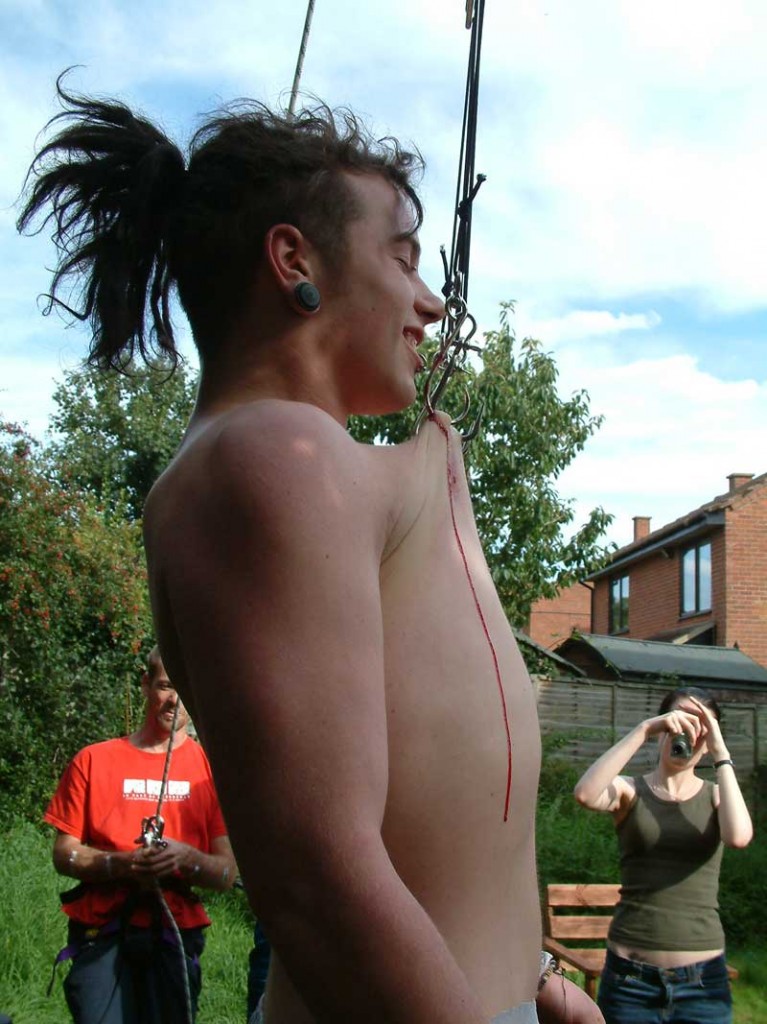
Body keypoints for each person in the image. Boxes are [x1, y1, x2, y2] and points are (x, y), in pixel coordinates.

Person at [21, 75, 603, 1024]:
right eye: (402, 258)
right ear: (295, 259)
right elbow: (320, 881)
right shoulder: (271, 455)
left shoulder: (318, 470)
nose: (432, 303)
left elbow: (429, 809)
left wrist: (529, 979)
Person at [43, 646, 237, 1024]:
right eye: (166, 686)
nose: (175, 700)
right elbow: (64, 854)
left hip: (174, 934)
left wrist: (186, 859)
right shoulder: (94, 761)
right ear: (146, 685)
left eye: (184, 689)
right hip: (102, 932)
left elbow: (226, 874)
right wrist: (122, 863)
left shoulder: (210, 772)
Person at [573, 686, 753, 1024]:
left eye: (699, 726)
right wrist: (644, 729)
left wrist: (720, 751)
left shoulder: (717, 796)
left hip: (703, 984)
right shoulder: (630, 790)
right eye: (679, 720)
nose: (686, 733)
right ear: (663, 728)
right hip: (630, 981)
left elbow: (739, 836)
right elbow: (585, 793)